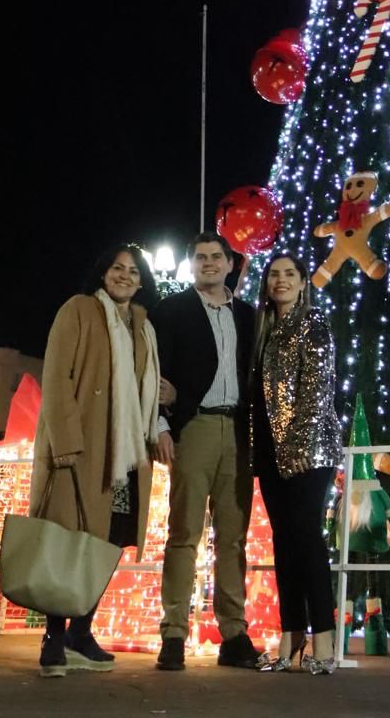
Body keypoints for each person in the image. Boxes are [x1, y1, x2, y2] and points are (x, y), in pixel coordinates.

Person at [30, 243, 161, 678]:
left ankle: (80, 632)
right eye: (116, 268)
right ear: (103, 274)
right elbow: (55, 375)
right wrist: (65, 443)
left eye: (132, 270)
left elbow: (145, 383)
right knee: (68, 541)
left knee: (107, 544)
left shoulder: (142, 325)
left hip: (126, 457)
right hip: (81, 450)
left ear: (142, 280)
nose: (124, 275)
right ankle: (53, 636)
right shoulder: (79, 310)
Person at [151, 231, 261, 670]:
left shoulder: (251, 317)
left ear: (230, 264)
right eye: (201, 258)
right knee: (184, 535)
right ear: (191, 264)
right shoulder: (171, 312)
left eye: (217, 257)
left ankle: (234, 634)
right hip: (193, 427)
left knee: (233, 540)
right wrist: (160, 424)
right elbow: (154, 376)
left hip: (238, 430)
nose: (209, 264)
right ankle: (174, 634)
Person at [252, 252, 342, 674]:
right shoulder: (264, 330)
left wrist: (299, 448)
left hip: (310, 451)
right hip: (270, 452)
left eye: (289, 274)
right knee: (284, 541)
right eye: (274, 274)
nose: (281, 280)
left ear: (304, 282)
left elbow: (317, 389)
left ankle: (324, 643)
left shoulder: (313, 322)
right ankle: (290, 641)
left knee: (307, 539)